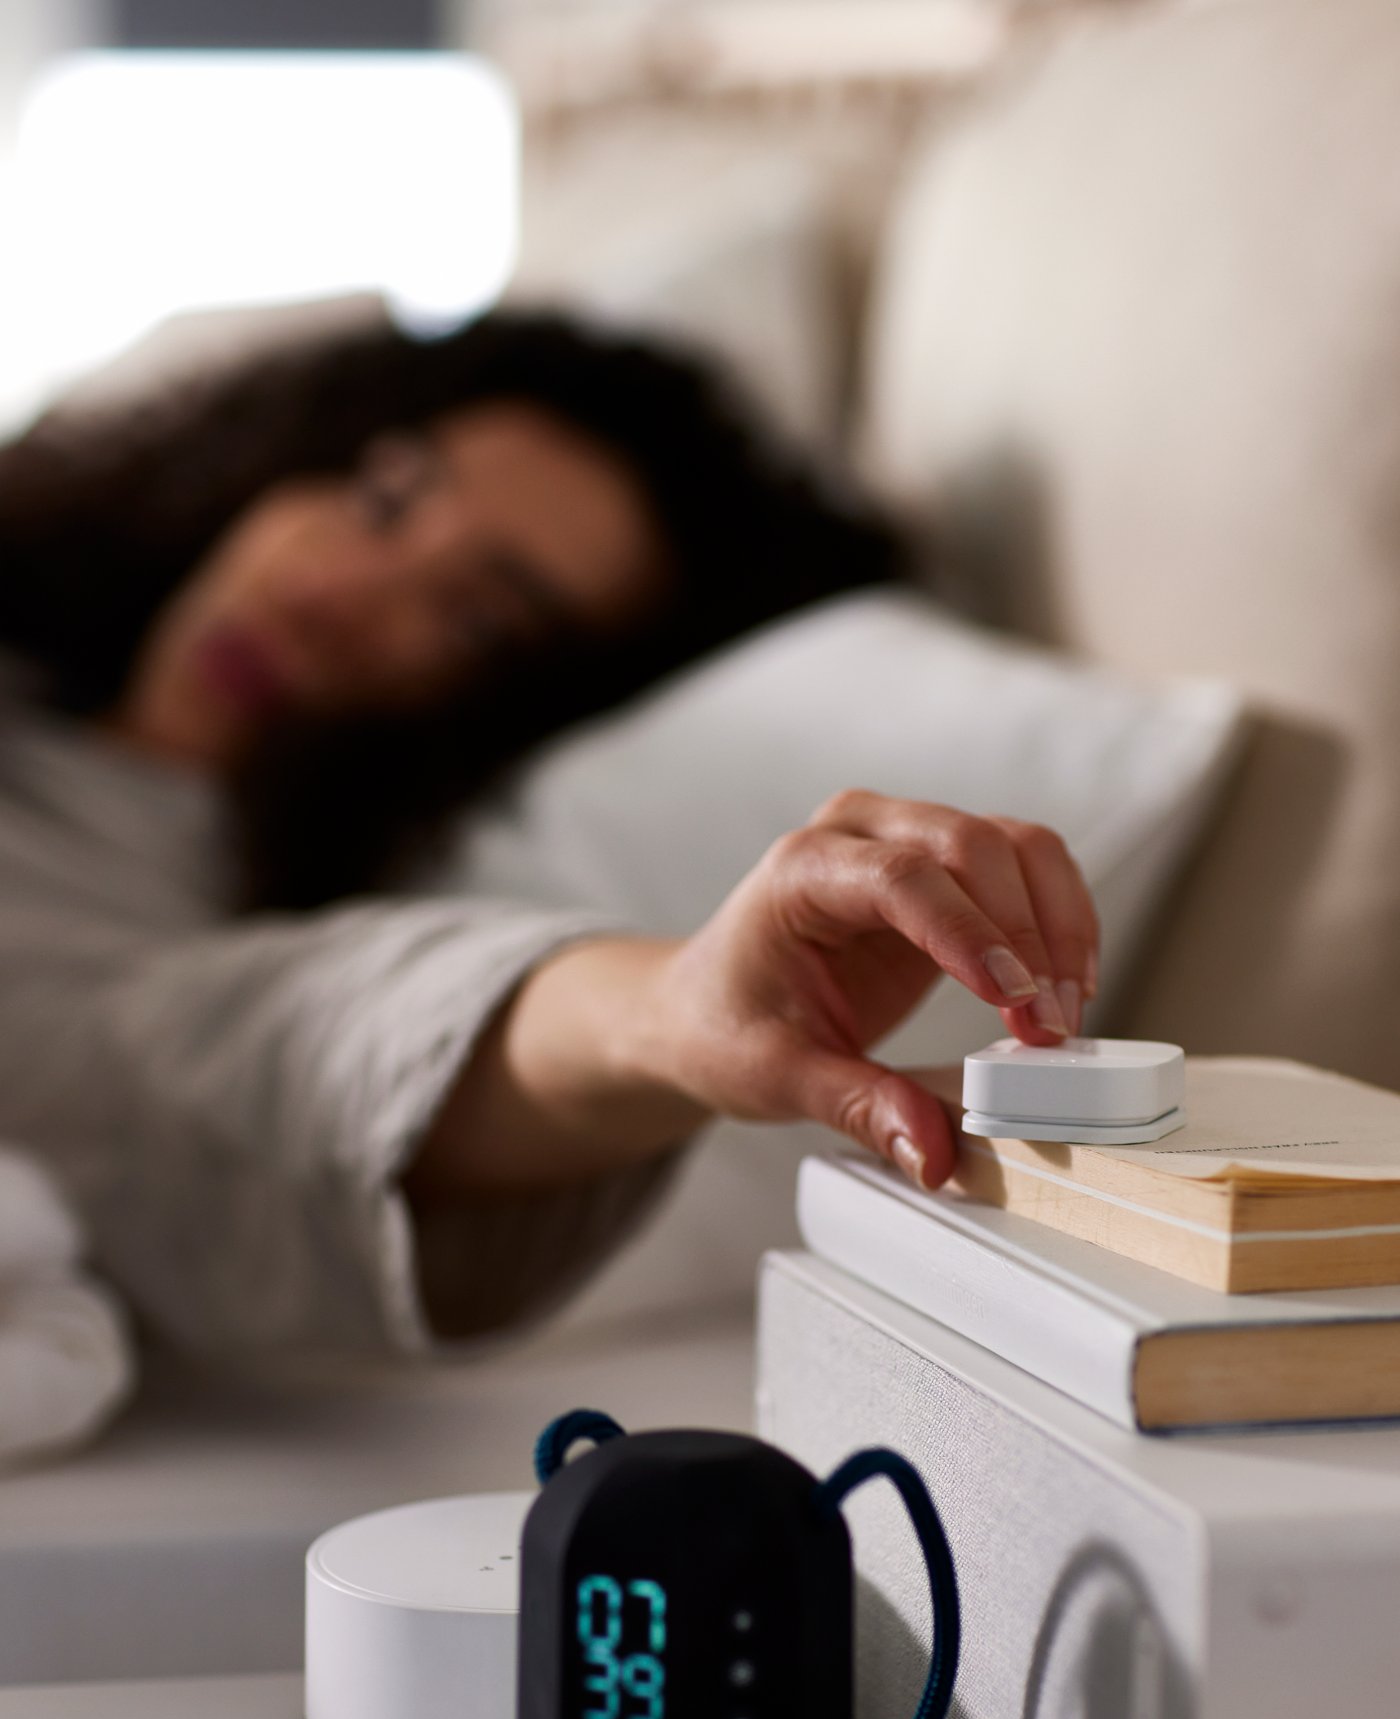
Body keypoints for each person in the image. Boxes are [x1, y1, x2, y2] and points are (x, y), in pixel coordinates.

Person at [0, 309, 1096, 1361]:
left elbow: (283, 1047)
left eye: (473, 617)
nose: (334, 589)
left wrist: (661, 1011)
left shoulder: (132, 953)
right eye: (384, 499)